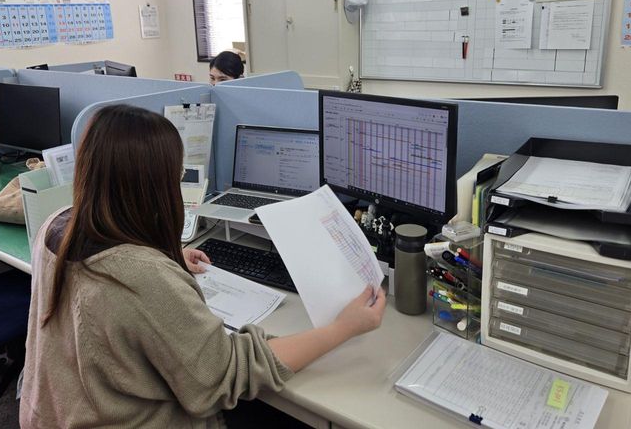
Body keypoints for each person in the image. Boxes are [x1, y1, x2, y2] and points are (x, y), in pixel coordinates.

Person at [20, 104, 386, 428]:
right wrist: (344, 327)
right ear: (154, 186)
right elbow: (228, 373)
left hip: (54, 413)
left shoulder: (57, 226)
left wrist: (165, 257)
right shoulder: (140, 277)